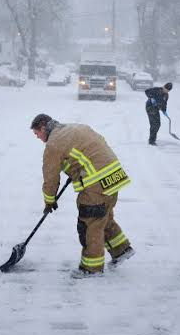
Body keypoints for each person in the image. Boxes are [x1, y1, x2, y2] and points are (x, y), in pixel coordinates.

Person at [30, 113, 134, 277]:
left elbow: (50, 177)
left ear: (43, 127)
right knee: (103, 217)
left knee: (89, 224)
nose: (37, 137)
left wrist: (49, 201)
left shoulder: (53, 144)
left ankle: (91, 269)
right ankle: (121, 250)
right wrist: (77, 169)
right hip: (115, 176)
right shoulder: (76, 128)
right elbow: (93, 149)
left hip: (96, 183)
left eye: (37, 133)